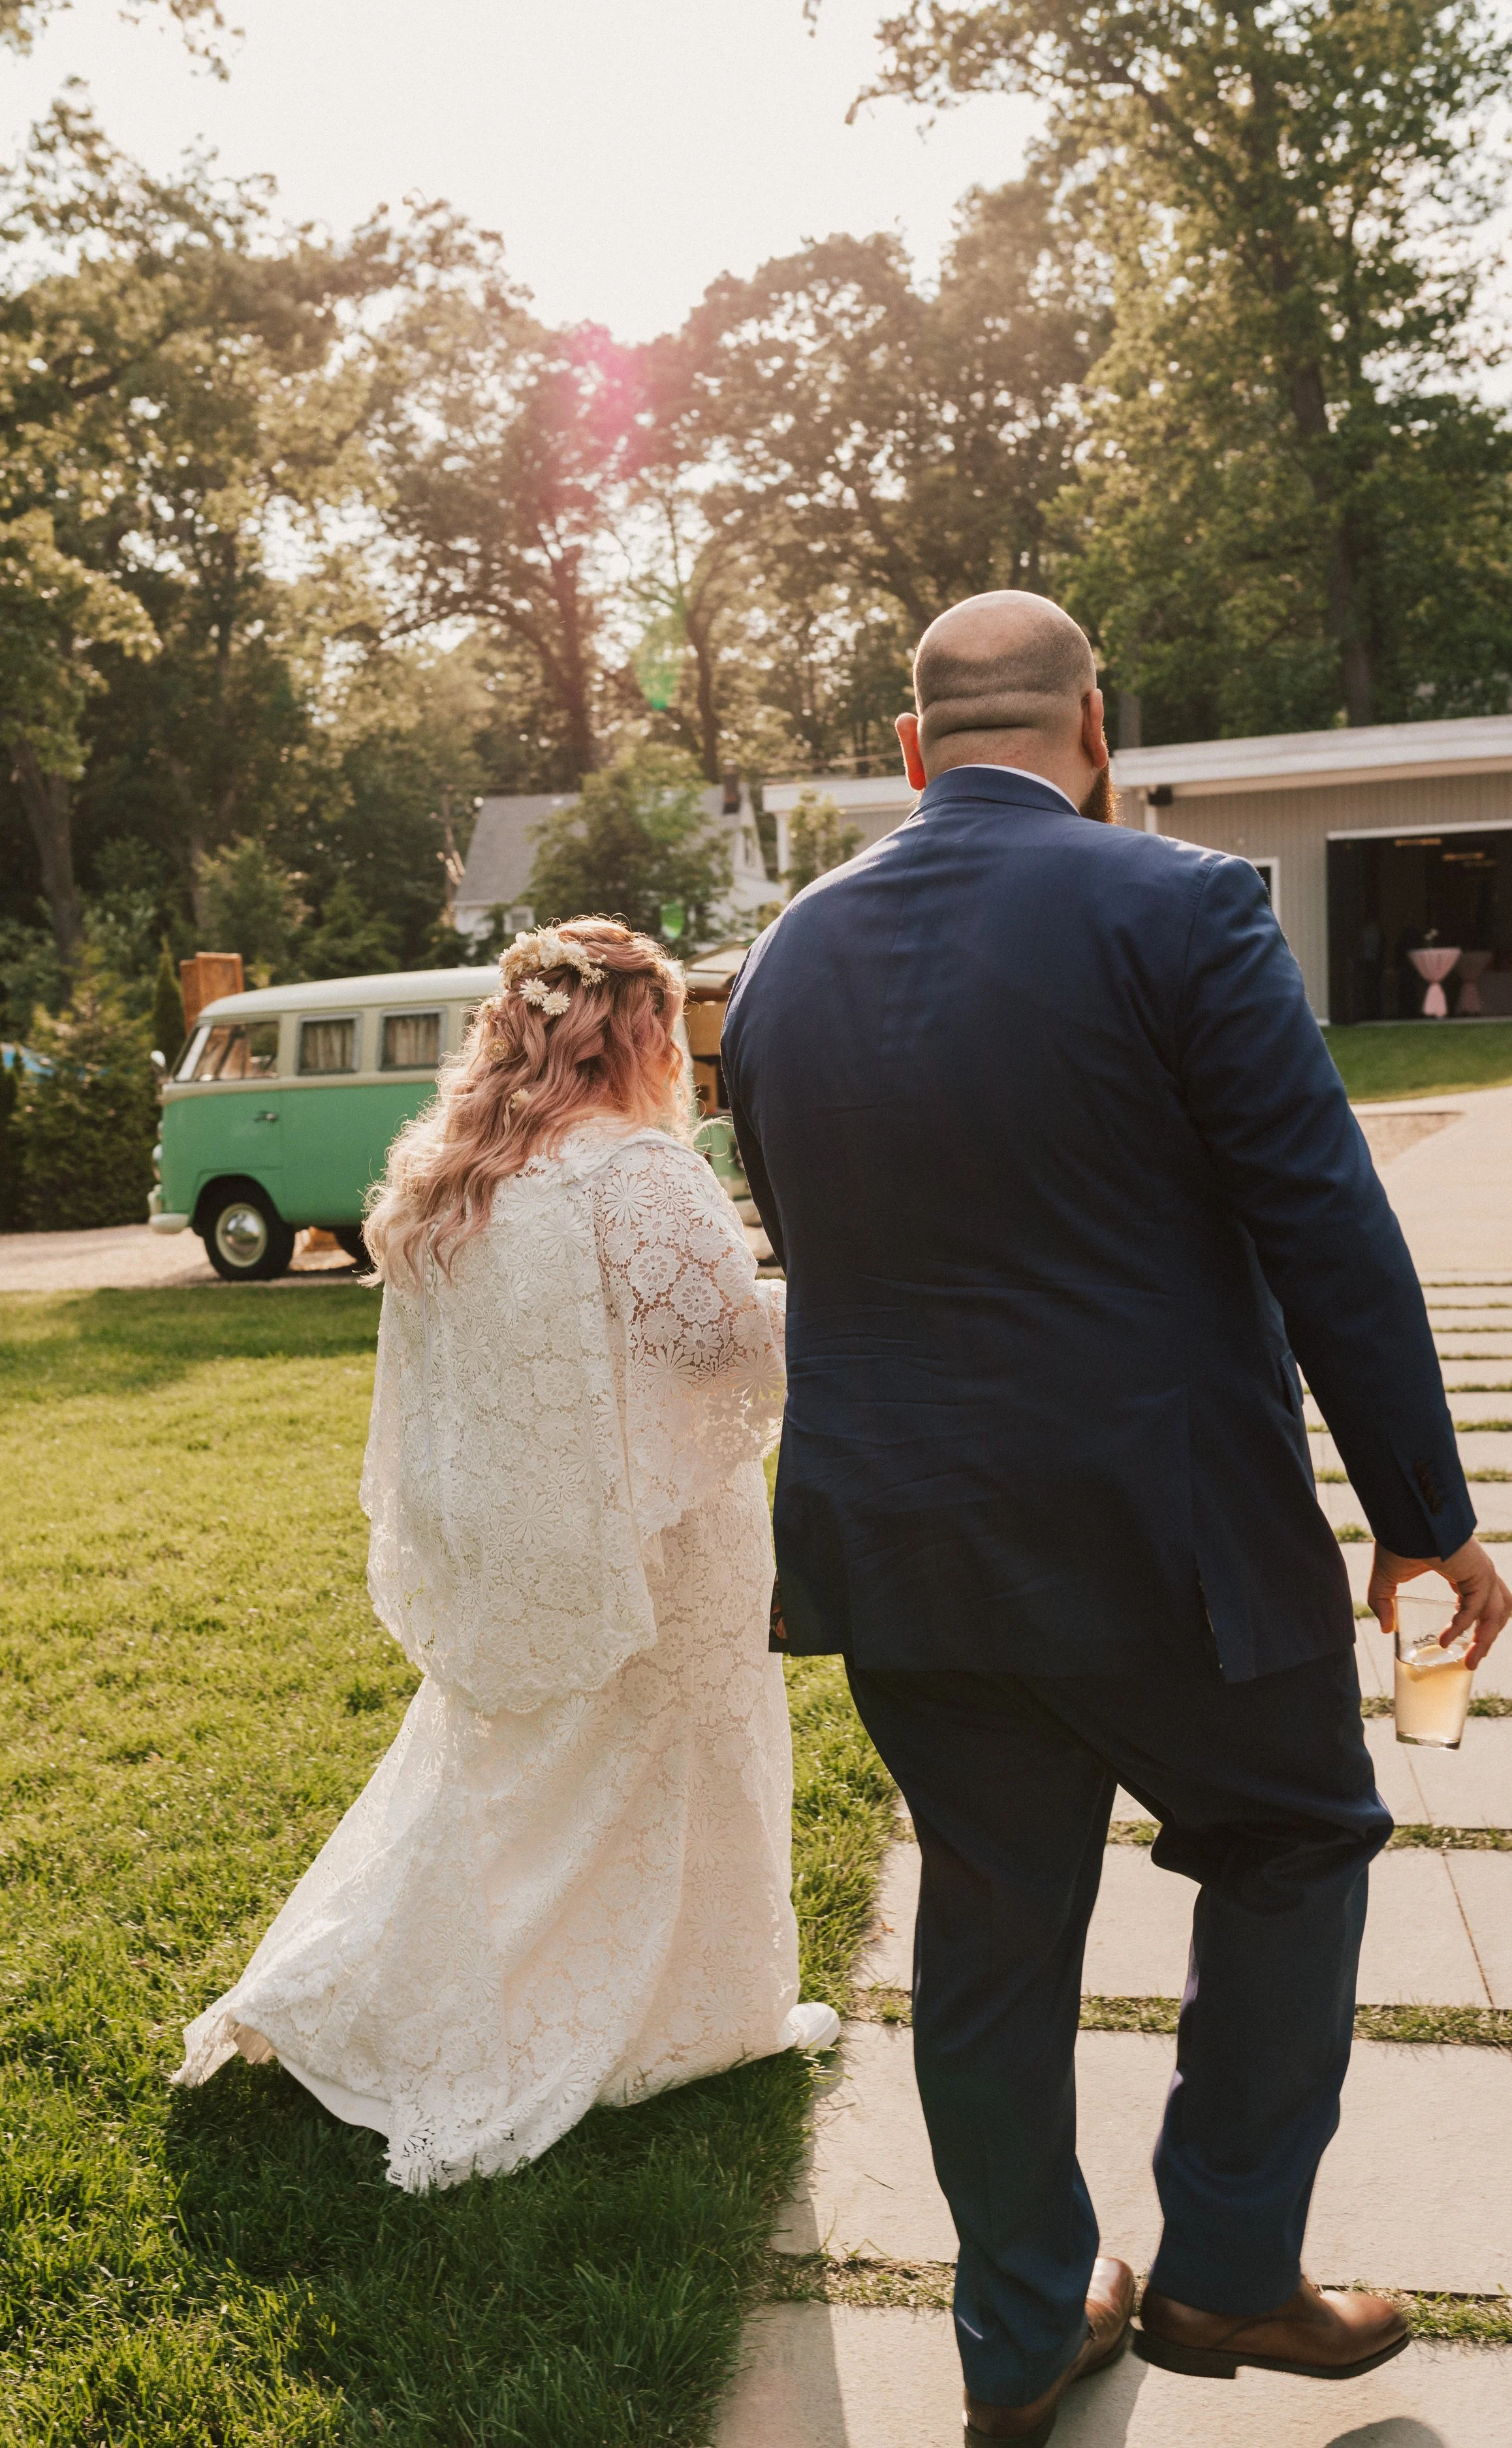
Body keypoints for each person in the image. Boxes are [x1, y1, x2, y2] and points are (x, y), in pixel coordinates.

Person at [721, 593, 1509, 2447]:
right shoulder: (1182, 905)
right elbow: (1324, 1218)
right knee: (1299, 1832)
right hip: (1159, 1540)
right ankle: (1228, 2257)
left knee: (988, 1928)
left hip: (894, 1537)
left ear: (909, 750)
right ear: (1096, 724)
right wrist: (1421, 1514)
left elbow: (812, 1239)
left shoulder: (781, 959)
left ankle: (1014, 2331)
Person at [174, 920, 837, 2189]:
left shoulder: (455, 1175)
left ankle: (371, 1991)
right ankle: (686, 2022)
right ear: (636, 1031)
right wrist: (839, 1307)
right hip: (656, 1540)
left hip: (522, 1534)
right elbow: (720, 1345)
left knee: (511, 1788)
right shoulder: (641, 1172)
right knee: (670, 1772)